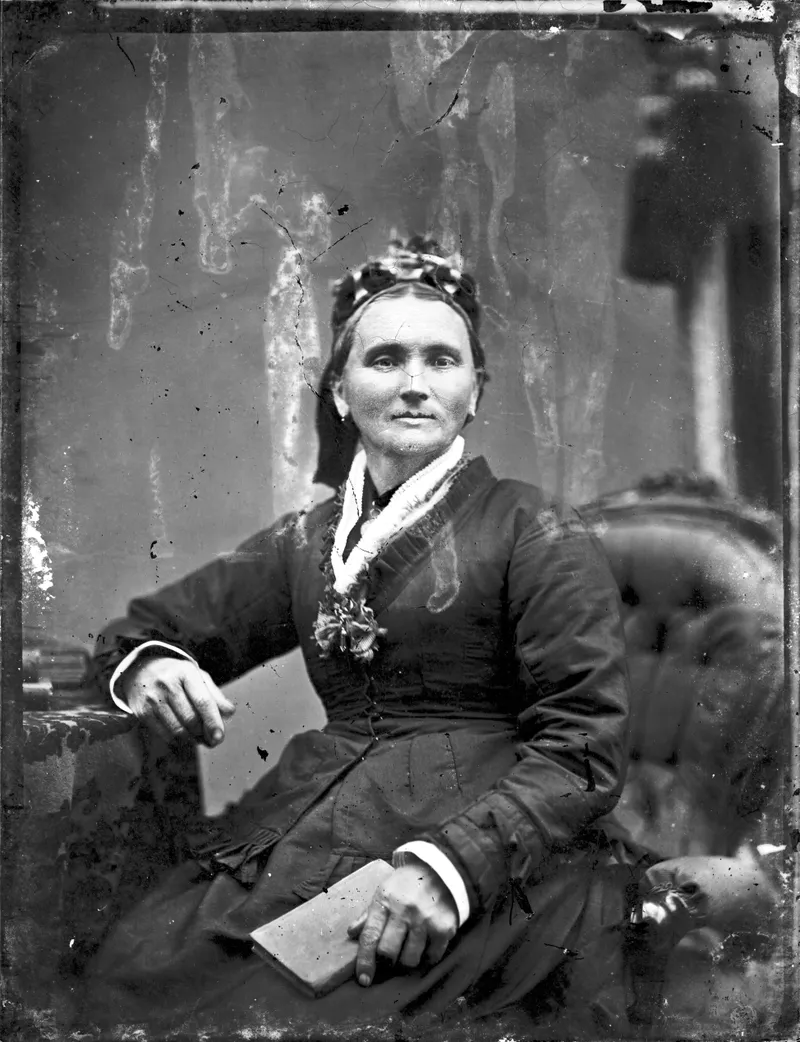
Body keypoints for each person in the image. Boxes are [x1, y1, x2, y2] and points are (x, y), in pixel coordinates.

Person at [84, 238, 632, 1038]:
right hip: (319, 820)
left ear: (475, 391)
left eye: (441, 360)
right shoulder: (307, 541)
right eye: (385, 359)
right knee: (133, 973)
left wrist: (452, 867)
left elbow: (584, 746)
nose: (414, 384)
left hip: (485, 850)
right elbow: (145, 629)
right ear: (340, 392)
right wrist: (153, 666)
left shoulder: (533, 527)